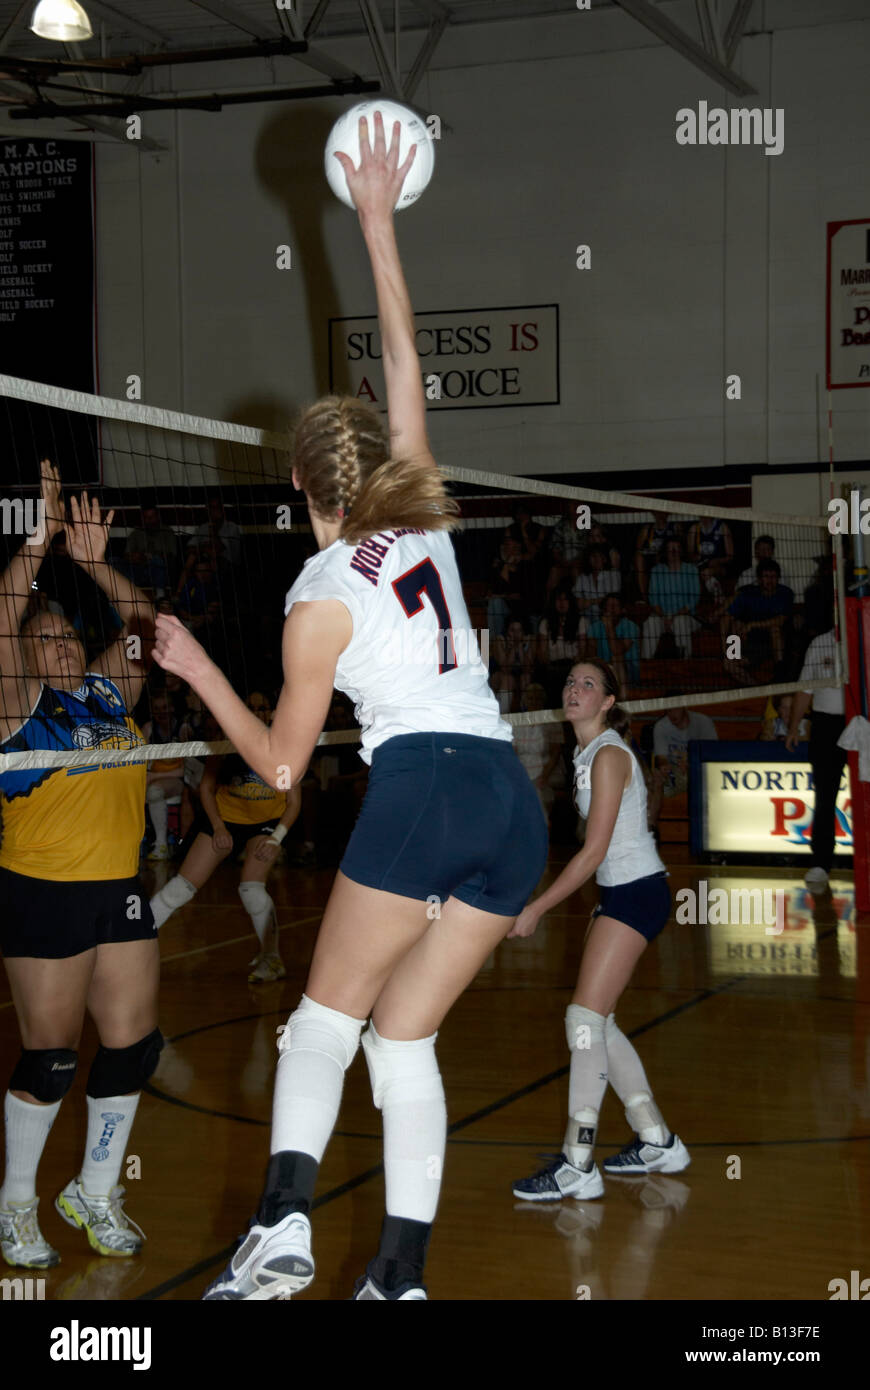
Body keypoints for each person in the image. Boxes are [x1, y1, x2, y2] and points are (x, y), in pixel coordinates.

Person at [151, 111, 549, 1302]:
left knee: (322, 1026)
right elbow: (409, 365)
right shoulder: (419, 509)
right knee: (405, 1038)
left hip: (424, 788)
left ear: (294, 486)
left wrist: (194, 668)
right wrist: (377, 223)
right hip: (510, 806)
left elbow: (278, 768)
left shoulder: (317, 594)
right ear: (377, 465)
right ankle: (398, 1276)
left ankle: (280, 1232)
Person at [0, 462, 158, 1269]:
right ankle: (16, 1204)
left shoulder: (104, 693)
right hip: (41, 891)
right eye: (45, 636)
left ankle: (94, 1192)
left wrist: (96, 562)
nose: (61, 642)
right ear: (25, 653)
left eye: (66, 631)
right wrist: (38, 542)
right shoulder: (18, 704)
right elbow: (1, 615)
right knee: (53, 1057)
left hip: (116, 889)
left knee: (133, 1047)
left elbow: (146, 625)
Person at [509, 659, 689, 1200]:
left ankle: (577, 1162)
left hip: (636, 893)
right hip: (623, 893)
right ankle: (657, 1139)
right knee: (598, 1021)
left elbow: (593, 852)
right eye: (570, 681)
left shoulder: (609, 754)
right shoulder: (587, 753)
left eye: (589, 684)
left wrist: (538, 907)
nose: (574, 689)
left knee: (583, 1021)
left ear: (609, 702)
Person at [148, 691, 301, 983]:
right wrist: (218, 827)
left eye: (261, 707)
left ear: (270, 712)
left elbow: (294, 803)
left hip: (266, 824)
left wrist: (277, 838)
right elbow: (206, 788)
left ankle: (272, 959)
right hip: (226, 819)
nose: (256, 712)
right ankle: (134, 942)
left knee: (250, 888)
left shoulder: (285, 746)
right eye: (250, 707)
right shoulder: (229, 742)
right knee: (180, 887)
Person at [785, 628, 844, 892]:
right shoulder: (819, 642)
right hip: (826, 726)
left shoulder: (864, 635)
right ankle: (821, 862)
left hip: (860, 721)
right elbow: (805, 689)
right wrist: (793, 727)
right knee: (824, 794)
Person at [646, 700, 718, 828]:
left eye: (675, 709)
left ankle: (707, 826)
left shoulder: (703, 722)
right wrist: (664, 767)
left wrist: (692, 763)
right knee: (655, 780)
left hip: (699, 770)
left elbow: (713, 753)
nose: (671, 714)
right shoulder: (661, 726)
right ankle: (651, 828)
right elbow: (661, 758)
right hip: (675, 773)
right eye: (668, 710)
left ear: (684, 706)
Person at [142, 690, 195, 861]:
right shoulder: (149, 729)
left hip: (179, 780)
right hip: (153, 777)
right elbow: (141, 763)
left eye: (165, 707)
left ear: (172, 708)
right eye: (157, 709)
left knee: (154, 790)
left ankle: (161, 844)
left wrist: (154, 776)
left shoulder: (183, 728)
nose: (161, 712)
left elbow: (188, 768)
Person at [721, 559, 793, 682]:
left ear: (778, 578)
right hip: (751, 642)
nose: (770, 580)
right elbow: (726, 618)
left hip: (776, 643)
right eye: (766, 576)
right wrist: (725, 649)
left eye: (773, 576)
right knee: (729, 662)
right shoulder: (748, 594)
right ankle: (755, 688)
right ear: (759, 579)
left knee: (775, 630)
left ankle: (780, 675)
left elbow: (780, 620)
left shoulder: (785, 593)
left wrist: (752, 625)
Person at [641, 537, 700, 660]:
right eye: (670, 549)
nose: (673, 552)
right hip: (661, 616)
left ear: (681, 551)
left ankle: (685, 661)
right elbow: (653, 599)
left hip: (687, 617)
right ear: (665, 552)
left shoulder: (691, 570)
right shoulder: (656, 571)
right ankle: (647, 664)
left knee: (680, 622)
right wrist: (664, 617)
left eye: (676, 549)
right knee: (651, 623)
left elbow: (694, 599)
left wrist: (674, 616)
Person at [122, 500, 180, 594]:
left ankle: (160, 595)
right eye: (146, 517)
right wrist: (136, 557)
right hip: (138, 570)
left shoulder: (167, 532)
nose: (149, 520)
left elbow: (172, 556)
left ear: (158, 517)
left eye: (151, 517)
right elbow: (126, 555)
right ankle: (123, 592)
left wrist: (151, 557)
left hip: (159, 570)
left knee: (157, 561)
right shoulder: (136, 533)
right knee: (114, 561)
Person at [587, 593, 640, 689]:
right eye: (608, 605)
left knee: (617, 659)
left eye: (615, 605)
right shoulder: (594, 627)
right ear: (603, 609)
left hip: (629, 671)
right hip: (602, 670)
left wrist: (609, 627)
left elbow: (617, 651)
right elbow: (592, 655)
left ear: (622, 609)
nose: (611, 608)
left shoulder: (631, 626)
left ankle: (623, 697)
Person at [187, 493, 242, 567]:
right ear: (207, 510)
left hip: (227, 566)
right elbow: (190, 548)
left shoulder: (232, 527)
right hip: (204, 563)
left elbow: (217, 550)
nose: (215, 510)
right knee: (192, 558)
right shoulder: (202, 528)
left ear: (222, 509)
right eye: (212, 507)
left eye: (217, 507)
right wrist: (204, 548)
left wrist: (214, 529)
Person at [573, 544, 621, 624]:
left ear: (604, 559)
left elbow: (612, 602)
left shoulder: (614, 575)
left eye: (599, 556)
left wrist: (587, 602)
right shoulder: (582, 577)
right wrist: (597, 600)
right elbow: (577, 605)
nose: (596, 559)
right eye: (593, 556)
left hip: (609, 619)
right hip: (586, 620)